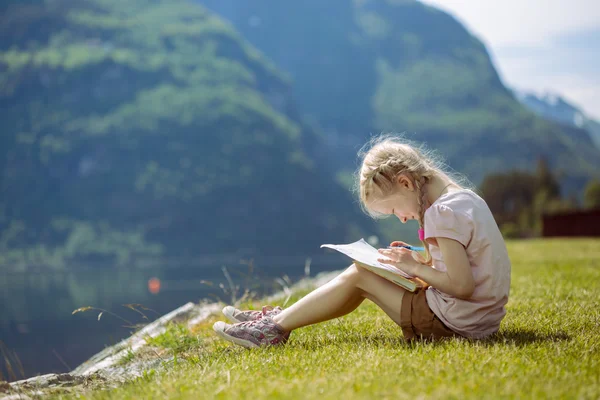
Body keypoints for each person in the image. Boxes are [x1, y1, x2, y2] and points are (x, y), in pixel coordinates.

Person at [213, 134, 511, 347]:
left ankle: (273, 329)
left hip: (455, 323)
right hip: (479, 320)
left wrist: (416, 268)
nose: (402, 218)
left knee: (360, 274)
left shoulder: (441, 213)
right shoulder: (462, 198)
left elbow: (461, 285)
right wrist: (415, 255)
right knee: (366, 273)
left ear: (405, 182)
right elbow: (458, 260)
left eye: (394, 209)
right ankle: (283, 319)